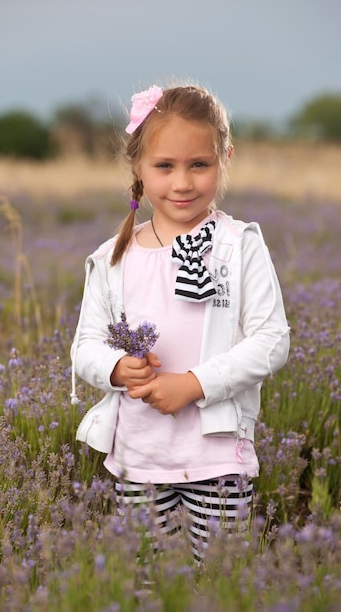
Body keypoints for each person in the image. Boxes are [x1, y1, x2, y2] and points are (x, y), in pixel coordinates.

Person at [70, 83, 290, 562]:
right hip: (139, 456)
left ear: (225, 158)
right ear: (138, 168)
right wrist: (114, 369)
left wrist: (193, 384)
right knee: (149, 581)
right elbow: (85, 345)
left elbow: (272, 340)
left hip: (215, 454)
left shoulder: (238, 246)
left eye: (199, 164)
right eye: (164, 166)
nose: (183, 183)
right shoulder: (113, 258)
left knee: (218, 578)